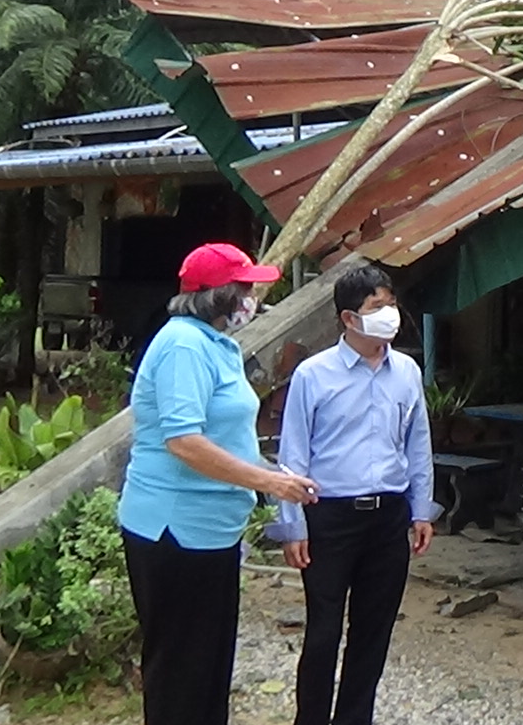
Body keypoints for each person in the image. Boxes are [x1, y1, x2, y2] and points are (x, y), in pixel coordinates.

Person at [119, 243, 318, 725]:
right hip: (175, 528)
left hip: (212, 529)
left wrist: (274, 474)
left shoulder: (215, 345)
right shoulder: (183, 347)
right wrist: (267, 481)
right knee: (181, 669)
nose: (252, 299)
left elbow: (226, 434)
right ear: (218, 296)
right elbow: (184, 442)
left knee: (208, 665)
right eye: (245, 289)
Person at [272, 263, 438, 725]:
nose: (389, 314)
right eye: (376, 306)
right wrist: (292, 525)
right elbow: (293, 454)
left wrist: (422, 510)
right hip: (330, 518)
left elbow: (418, 443)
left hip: (388, 517)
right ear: (349, 318)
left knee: (373, 632)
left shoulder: (406, 372)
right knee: (324, 632)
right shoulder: (313, 375)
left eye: (391, 304)